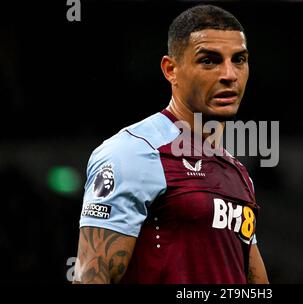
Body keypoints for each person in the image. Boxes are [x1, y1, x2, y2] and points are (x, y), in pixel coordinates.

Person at [73, 4, 269, 284]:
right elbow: (90, 277)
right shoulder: (131, 153)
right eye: (209, 60)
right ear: (171, 69)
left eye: (239, 59)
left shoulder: (238, 173)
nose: (230, 74)